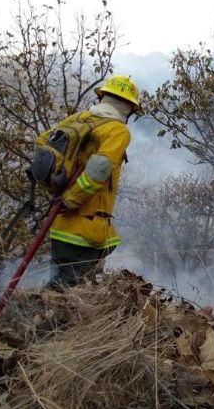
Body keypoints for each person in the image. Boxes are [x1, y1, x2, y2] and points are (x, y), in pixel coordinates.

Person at [39, 74, 142, 289]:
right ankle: (35, 309)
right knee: (71, 291)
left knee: (59, 283)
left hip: (60, 223)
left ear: (102, 97)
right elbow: (100, 167)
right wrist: (71, 199)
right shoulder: (117, 130)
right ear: (131, 109)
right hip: (85, 228)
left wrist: (56, 189)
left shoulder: (78, 119)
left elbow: (42, 144)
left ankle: (33, 309)